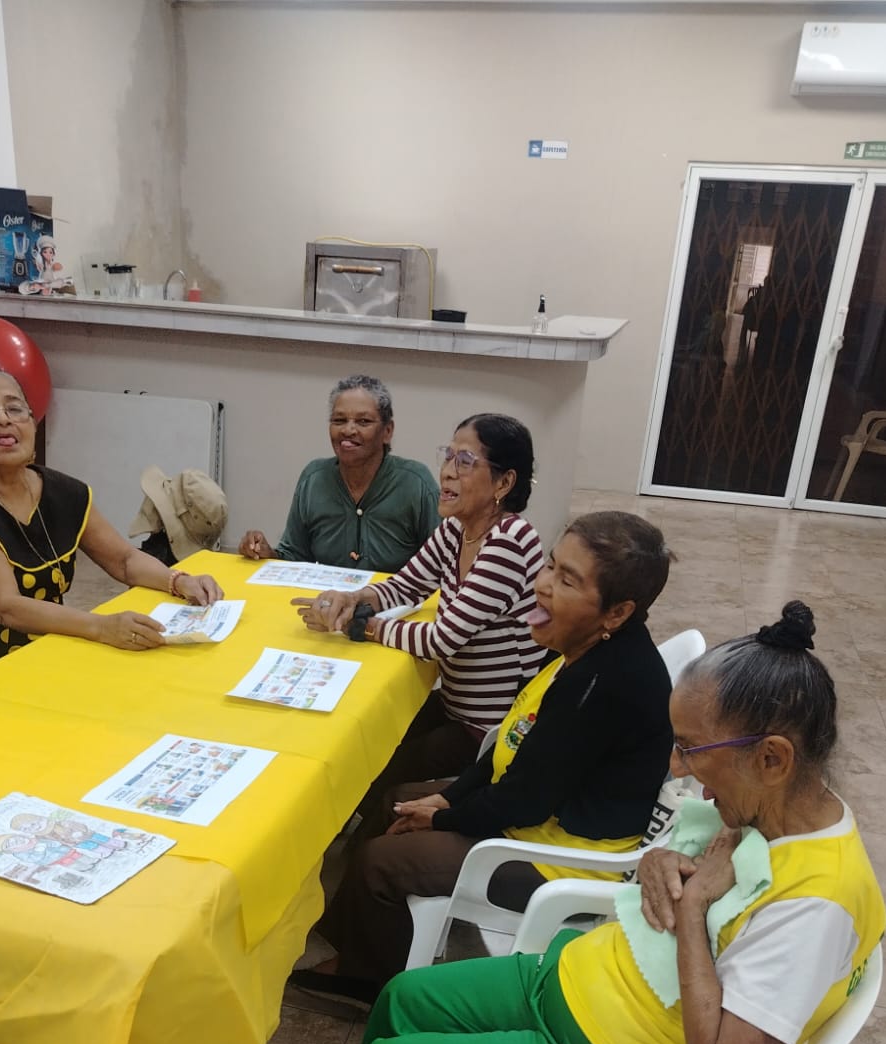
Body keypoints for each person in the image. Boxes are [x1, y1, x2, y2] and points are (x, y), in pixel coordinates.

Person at [264, 601, 886, 1044]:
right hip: (582, 988)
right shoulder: (773, 807)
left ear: (773, 758)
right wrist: (660, 862)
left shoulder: (816, 906)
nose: (676, 770)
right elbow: (685, 877)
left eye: (689, 750)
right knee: (403, 998)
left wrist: (693, 909)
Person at [291, 513, 675, 1000]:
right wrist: (449, 798)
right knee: (395, 799)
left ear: (616, 613)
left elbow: (524, 801)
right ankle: (351, 936)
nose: (542, 586)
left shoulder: (602, 687)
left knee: (381, 860)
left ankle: (367, 982)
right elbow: (508, 751)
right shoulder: (584, 650)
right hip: (536, 811)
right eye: (551, 566)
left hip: (561, 859)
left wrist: (444, 816)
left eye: (568, 580)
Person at [0, 366, 222, 681]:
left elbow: (124, 560)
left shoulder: (63, 491)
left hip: (44, 648)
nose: (2, 419)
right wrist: (102, 627)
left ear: (32, 423)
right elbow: (7, 607)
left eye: (14, 408)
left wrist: (178, 581)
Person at [294, 413, 546, 799]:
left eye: (465, 461)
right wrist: (353, 599)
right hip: (455, 707)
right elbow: (406, 586)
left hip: (490, 728)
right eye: (449, 456)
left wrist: (359, 625)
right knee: (360, 737)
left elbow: (440, 640)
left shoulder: (509, 541)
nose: (447, 472)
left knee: (373, 770)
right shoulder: (458, 528)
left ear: (504, 482)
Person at [237, 376, 436, 572]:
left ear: (387, 431)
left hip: (395, 594)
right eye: (339, 420)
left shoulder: (416, 483)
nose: (348, 430)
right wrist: (265, 553)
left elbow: (442, 563)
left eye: (363, 421)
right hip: (326, 593)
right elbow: (294, 557)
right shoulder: (314, 478)